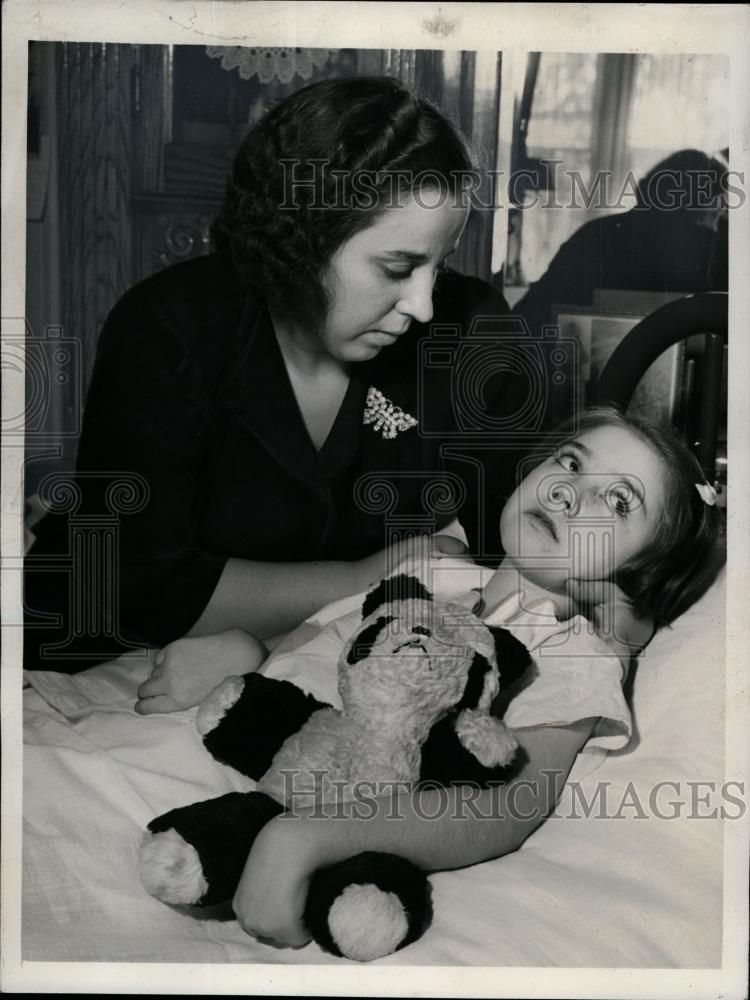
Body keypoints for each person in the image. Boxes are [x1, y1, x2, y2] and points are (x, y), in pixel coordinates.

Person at [135, 405, 725, 949]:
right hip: (200, 753)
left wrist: (306, 837)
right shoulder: (430, 573)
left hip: (263, 814)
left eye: (619, 503)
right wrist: (247, 650)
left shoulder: (570, 654)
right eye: (570, 462)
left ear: (632, 579)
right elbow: (323, 654)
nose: (570, 492)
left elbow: (509, 807)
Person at [24, 76, 532, 673]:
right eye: (397, 267)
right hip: (100, 656)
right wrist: (371, 576)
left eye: (438, 266)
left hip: (328, 662)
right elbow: (144, 590)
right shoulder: (167, 327)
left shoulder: (471, 332)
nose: (422, 305)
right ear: (301, 239)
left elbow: (524, 552)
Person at [514, 149, 729, 340]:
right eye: (718, 212)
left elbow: (528, 317)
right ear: (709, 210)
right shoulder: (713, 248)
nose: (722, 220)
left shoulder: (597, 235)